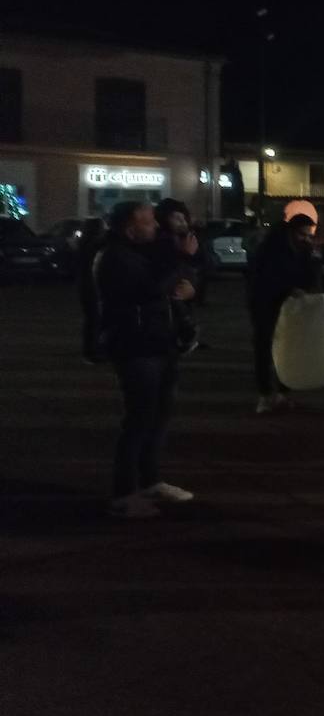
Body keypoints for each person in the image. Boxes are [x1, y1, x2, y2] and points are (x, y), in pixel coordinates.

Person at [97, 201, 197, 518]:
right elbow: (151, 289)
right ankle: (124, 493)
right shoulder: (115, 257)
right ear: (130, 227)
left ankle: (150, 480)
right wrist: (181, 259)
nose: (155, 226)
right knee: (139, 419)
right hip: (137, 346)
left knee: (158, 416)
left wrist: (186, 284)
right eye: (148, 221)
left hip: (159, 343)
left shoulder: (142, 251)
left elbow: (167, 285)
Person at [247, 213, 320, 413]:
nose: (306, 239)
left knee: (288, 349)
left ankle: (281, 393)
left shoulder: (304, 250)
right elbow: (265, 278)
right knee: (264, 349)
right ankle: (265, 394)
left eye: (308, 235)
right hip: (266, 305)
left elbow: (309, 275)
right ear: (291, 231)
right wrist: (289, 289)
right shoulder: (271, 249)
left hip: (290, 308)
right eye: (302, 235)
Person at [154, 198, 201, 354]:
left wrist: (193, 288)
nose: (182, 222)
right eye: (176, 218)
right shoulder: (161, 242)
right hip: (163, 313)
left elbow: (199, 269)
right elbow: (165, 276)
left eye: (183, 218)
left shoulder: (186, 239)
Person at [76, 216, 109, 363]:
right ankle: (91, 351)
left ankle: (92, 349)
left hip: (85, 285)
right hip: (92, 286)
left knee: (93, 319)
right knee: (94, 319)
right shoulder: (94, 245)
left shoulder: (84, 244)